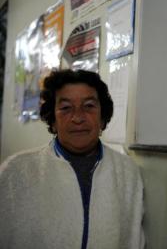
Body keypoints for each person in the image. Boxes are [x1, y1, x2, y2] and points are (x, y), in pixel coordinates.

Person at [0, 69, 144, 249]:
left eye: (89, 106)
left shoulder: (127, 172)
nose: (78, 117)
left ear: (102, 116)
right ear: (53, 119)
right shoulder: (15, 173)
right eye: (66, 108)